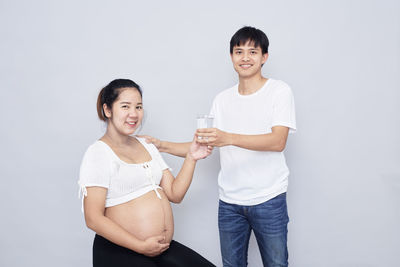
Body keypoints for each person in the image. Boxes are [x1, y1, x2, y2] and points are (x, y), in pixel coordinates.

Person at [143, 26, 296, 267]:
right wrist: (160, 145)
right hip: (230, 202)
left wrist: (229, 138)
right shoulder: (222, 99)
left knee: (277, 265)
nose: (245, 58)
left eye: (252, 52)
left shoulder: (279, 91)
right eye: (238, 51)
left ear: (264, 57)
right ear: (231, 57)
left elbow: (278, 142)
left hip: (269, 198)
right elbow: (201, 147)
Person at [78, 79, 215, 267]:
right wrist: (140, 246)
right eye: (125, 106)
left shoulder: (146, 145)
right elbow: (93, 218)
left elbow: (175, 194)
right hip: (121, 250)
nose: (134, 114)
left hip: (158, 248)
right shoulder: (98, 153)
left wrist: (191, 157)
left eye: (139, 107)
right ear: (107, 110)